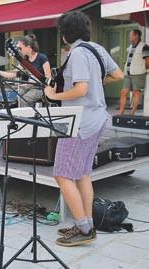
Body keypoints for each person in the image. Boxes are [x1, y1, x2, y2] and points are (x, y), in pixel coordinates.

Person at [44, 11, 124, 247]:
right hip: (97, 118)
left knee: (62, 173)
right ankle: (86, 224)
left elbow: (80, 90)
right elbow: (118, 74)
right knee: (82, 174)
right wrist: (96, 81)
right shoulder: (96, 48)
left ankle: (84, 228)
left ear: (65, 34)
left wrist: (53, 94)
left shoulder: (77, 53)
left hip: (80, 121)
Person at [0, 34, 51, 107]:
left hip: (42, 89)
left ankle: (28, 117)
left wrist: (32, 82)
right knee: (18, 95)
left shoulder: (42, 58)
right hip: (30, 87)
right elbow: (14, 73)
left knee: (25, 98)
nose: (19, 50)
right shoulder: (25, 60)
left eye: (20, 48)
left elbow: (48, 78)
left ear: (28, 47)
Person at [119, 29, 149, 116]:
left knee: (136, 92)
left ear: (136, 36)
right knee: (123, 92)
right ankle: (121, 112)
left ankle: (132, 112)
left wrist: (146, 70)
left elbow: (147, 60)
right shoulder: (130, 46)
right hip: (128, 74)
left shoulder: (144, 46)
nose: (129, 37)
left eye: (131, 35)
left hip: (138, 74)